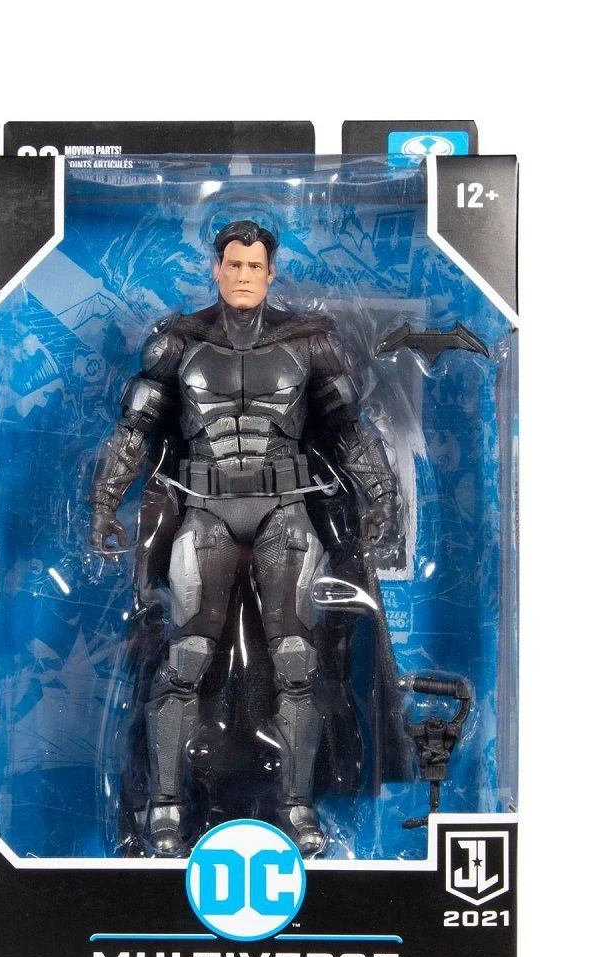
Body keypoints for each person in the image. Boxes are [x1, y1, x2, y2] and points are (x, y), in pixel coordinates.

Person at [90, 219, 402, 857]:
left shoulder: (307, 342)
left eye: (254, 267)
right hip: (205, 511)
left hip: (284, 511)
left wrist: (382, 497)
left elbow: (348, 428)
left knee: (297, 661)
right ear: (216, 267)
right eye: (233, 264)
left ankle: (297, 808)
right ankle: (166, 808)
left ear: (270, 272)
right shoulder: (178, 342)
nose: (242, 276)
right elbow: (134, 430)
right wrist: (103, 503)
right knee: (185, 660)